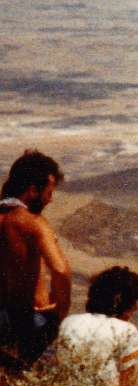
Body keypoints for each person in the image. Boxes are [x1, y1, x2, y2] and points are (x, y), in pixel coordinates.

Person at [0, 149, 71, 372]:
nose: (51, 199)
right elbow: (60, 270)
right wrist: (60, 311)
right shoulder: (32, 222)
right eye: (49, 192)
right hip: (27, 320)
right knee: (39, 383)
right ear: (32, 190)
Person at [55, 266, 138, 386]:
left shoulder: (68, 322)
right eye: (134, 301)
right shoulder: (127, 330)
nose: (136, 307)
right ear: (119, 299)